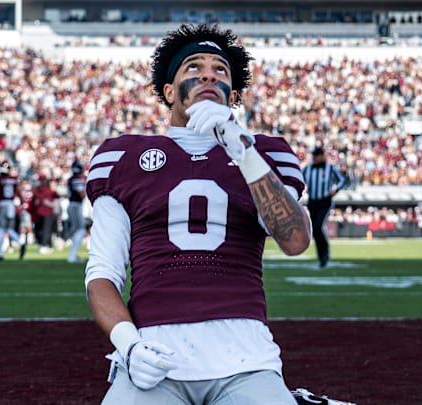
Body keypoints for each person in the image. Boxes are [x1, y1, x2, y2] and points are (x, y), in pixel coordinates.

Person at [84, 23, 312, 404]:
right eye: (193, 66)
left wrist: (242, 150)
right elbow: (102, 274)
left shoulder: (263, 154)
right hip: (155, 354)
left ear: (234, 95)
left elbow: (294, 239)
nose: (208, 73)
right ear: (169, 91)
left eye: (220, 69)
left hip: (245, 357)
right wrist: (129, 346)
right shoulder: (122, 158)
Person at [302, 147, 347, 268]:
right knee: (315, 230)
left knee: (317, 226)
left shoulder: (330, 168)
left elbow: (342, 180)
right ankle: (322, 256)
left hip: (325, 202)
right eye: (314, 156)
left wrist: (335, 190)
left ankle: (324, 254)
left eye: (317, 156)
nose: (315, 158)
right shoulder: (308, 168)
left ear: (322, 156)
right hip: (312, 202)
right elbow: (300, 180)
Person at [0, 162, 25, 260]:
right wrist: (22, 202)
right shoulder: (13, 179)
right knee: (9, 228)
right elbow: (18, 191)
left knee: (0, 228)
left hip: (3, 204)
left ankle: (0, 253)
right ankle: (20, 242)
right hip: (11, 205)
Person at [31, 175, 60, 254]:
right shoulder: (49, 191)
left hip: (39, 213)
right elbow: (57, 196)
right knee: (46, 230)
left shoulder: (38, 191)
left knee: (41, 230)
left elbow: (33, 202)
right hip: (46, 213)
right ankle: (43, 245)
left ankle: (42, 245)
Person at [66, 160, 87, 263]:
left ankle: (73, 255)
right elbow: (82, 194)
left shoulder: (71, 179)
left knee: (79, 230)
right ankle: (72, 255)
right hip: (75, 205)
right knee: (81, 230)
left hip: (74, 205)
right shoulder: (77, 179)